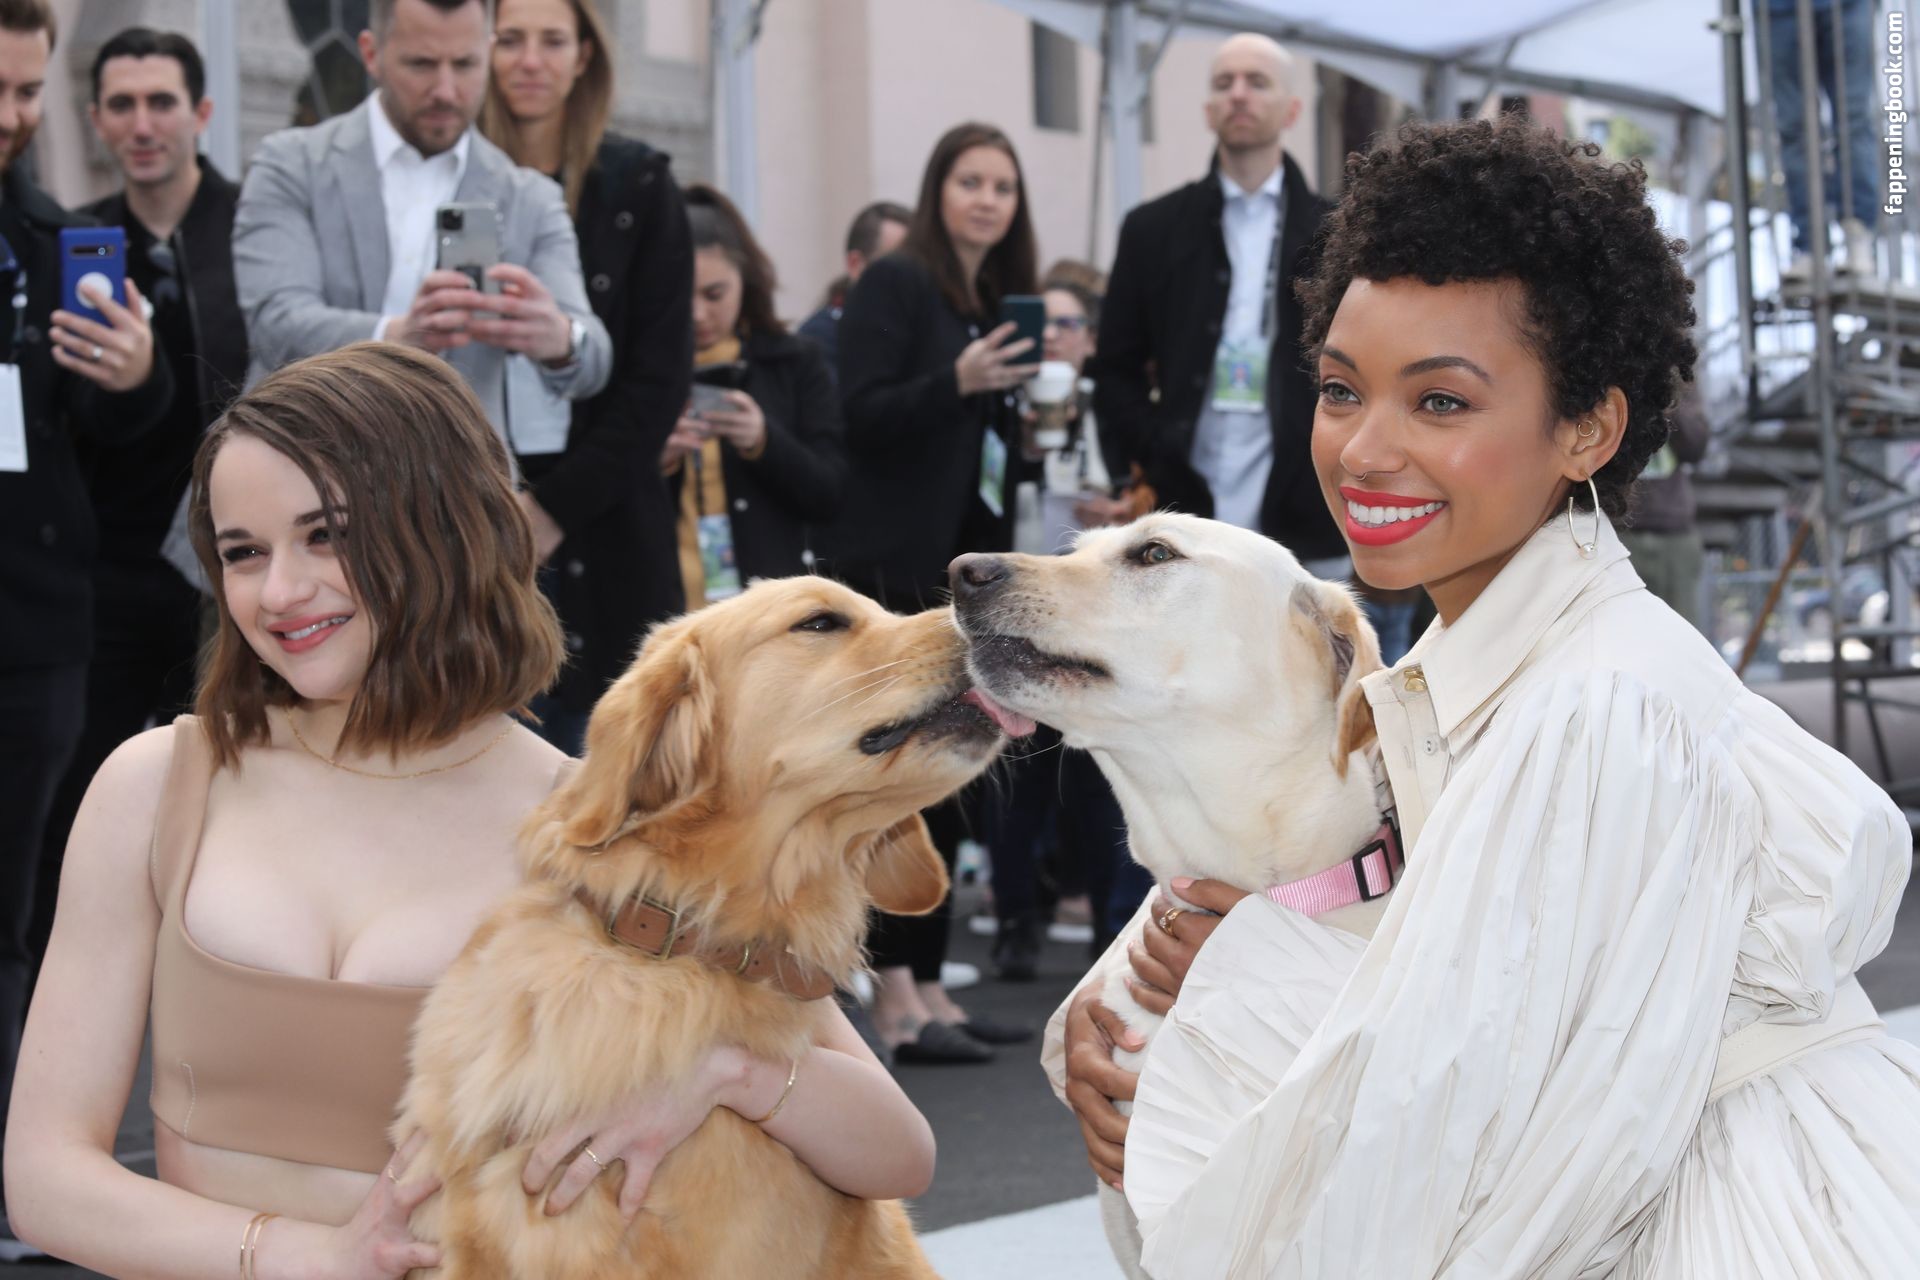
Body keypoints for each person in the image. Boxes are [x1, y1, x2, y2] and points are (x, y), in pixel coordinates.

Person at [1049, 115, 1920, 1278]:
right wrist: (1126, 1033)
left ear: (1588, 428)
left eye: (1442, 402)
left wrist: (1219, 1007)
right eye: (1342, 389)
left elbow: (1486, 1152)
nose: (1364, 450)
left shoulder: (1597, 707)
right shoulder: (1490, 672)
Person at [2, 342, 939, 1277]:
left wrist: (725, 1071)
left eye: (326, 535)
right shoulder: (158, 786)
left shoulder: (588, 822)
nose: (278, 591)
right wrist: (308, 1257)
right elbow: (45, 1178)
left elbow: (897, 1151)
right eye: (243, 551)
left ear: (446, 527)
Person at [31, 25, 251, 1009]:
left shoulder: (251, 231)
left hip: (239, 569)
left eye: (161, 102)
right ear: (95, 120)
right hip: (109, 571)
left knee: (234, 793)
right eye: (121, 105)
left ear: (200, 113)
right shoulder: (68, 237)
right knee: (91, 798)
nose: (142, 123)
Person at [0, 0, 167, 1257]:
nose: (10, 117)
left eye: (23, 92)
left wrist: (133, 377)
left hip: (32, 620)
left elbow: (115, 437)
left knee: (16, 910)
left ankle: (19, 1178)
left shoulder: (54, 238)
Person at [819, 121, 1041, 1063]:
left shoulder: (984, 301)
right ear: (936, 190)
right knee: (900, 776)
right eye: (969, 182)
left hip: (962, 564)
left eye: (1002, 186)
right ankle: (896, 1000)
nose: (987, 200)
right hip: (893, 567)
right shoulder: (898, 281)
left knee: (951, 772)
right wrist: (956, 380)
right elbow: (857, 412)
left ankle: (933, 987)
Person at [232, 0, 611, 453]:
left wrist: (558, 338)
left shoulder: (528, 197)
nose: (446, 91)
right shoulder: (291, 165)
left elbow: (594, 360)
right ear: (371, 53)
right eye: (422, 65)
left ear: (488, 53)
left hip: (458, 480)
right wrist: (397, 337)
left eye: (465, 64)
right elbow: (275, 324)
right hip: (302, 466)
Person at [482, 0, 693, 753]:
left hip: (608, 535)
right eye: (510, 39)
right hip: (472, 521)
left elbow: (658, 381)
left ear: (583, 58)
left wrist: (551, 508)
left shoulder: (639, 186)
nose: (529, 60)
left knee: (612, 775)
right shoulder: (446, 179)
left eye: (552, 40)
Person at [665, 183, 845, 608]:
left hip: (765, 604)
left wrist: (763, 440)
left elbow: (831, 492)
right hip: (662, 598)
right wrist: (655, 459)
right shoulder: (638, 370)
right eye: (680, 294)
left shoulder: (794, 360)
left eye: (715, 294)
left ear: (744, 281)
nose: (698, 314)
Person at [1763, 0, 1878, 283]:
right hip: (1778, 7)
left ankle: (1856, 233)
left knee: (1852, 119)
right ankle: (1809, 244)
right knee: (1794, 127)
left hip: (1846, 5)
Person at [1621, 380, 1711, 629]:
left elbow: (1696, 445)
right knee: (1624, 635)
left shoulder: (1678, 375)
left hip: (1673, 530)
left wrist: (1664, 389)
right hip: (1618, 527)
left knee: (1682, 635)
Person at [797, 200, 911, 367]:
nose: (911, 280)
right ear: (855, 264)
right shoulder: (820, 340)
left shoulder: (916, 331)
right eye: (896, 267)